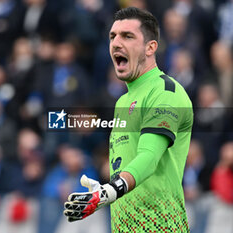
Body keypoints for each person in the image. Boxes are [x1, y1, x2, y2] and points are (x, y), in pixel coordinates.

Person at [64, 7, 193, 232]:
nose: (115, 42)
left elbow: (149, 157)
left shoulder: (165, 91)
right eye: (113, 36)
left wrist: (112, 190)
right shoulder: (123, 102)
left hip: (161, 227)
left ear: (150, 47)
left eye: (127, 36)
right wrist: (105, 190)